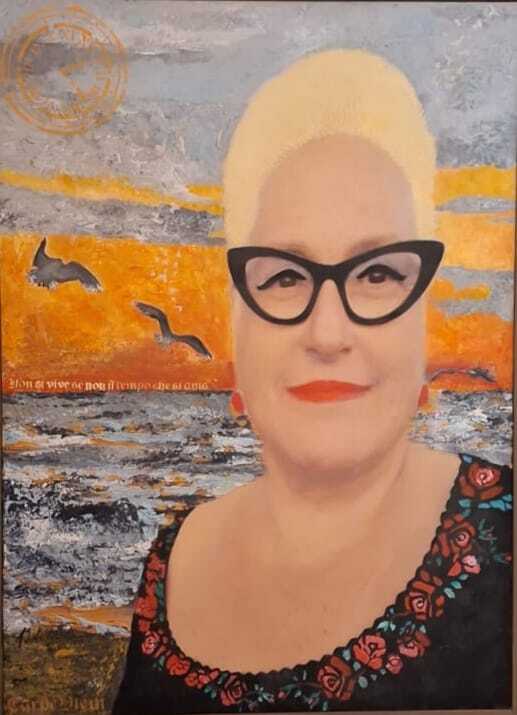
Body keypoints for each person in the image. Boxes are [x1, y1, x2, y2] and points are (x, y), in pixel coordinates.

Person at [111, 49, 513, 714]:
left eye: (378, 273)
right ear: (237, 324)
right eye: (284, 277)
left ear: (423, 315)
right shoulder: (175, 558)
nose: (327, 333)